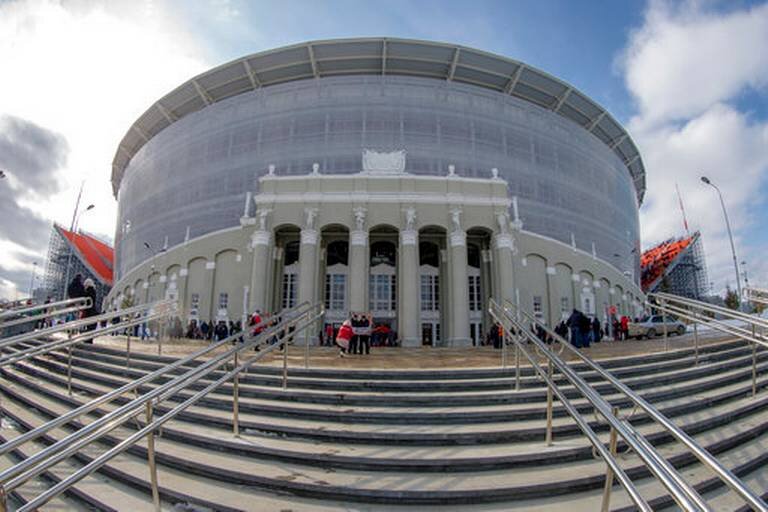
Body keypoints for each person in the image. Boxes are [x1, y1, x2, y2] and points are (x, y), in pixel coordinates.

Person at [81, 278, 99, 344]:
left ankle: (88, 339)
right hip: (92, 311)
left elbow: (87, 300)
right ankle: (89, 339)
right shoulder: (93, 290)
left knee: (90, 326)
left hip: (90, 311)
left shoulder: (89, 291)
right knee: (91, 326)